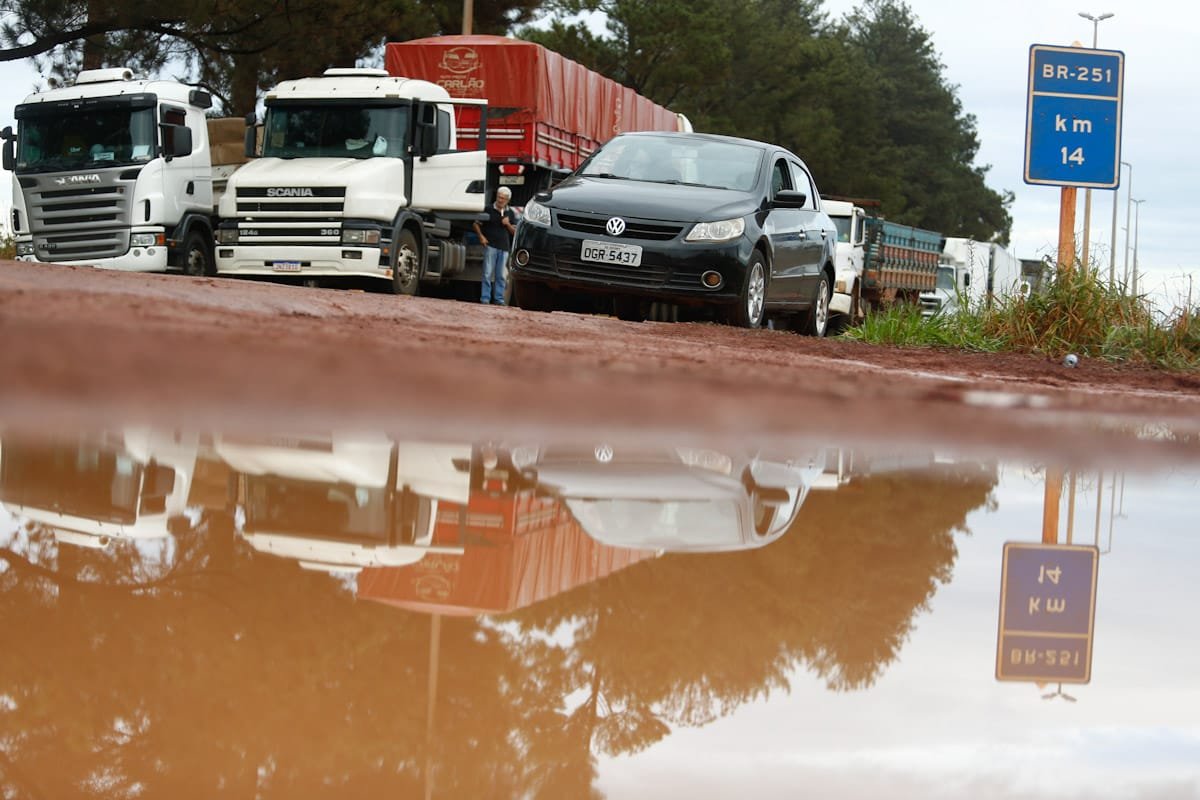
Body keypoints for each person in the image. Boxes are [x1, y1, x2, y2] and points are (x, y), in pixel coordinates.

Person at [473, 186, 518, 305]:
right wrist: (481, 236)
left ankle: (499, 299)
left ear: (508, 200)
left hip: (504, 247)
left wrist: (507, 224)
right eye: (499, 197)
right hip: (491, 245)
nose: (500, 200)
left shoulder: (510, 213)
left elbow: (514, 232)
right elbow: (476, 224)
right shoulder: (488, 209)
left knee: (501, 275)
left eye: (503, 198)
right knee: (487, 273)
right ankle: (485, 298)